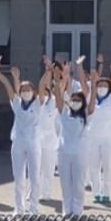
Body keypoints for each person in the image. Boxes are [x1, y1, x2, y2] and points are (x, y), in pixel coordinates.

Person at [0, 63, 52, 214]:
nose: (26, 92)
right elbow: (7, 86)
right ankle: (19, 208)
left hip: (33, 143)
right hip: (18, 143)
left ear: (33, 92)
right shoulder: (16, 103)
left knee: (34, 178)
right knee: (18, 178)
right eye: (23, 90)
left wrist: (47, 71)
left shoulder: (38, 103)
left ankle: (33, 208)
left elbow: (42, 85)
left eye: (28, 89)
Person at [53, 60, 93, 216]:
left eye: (78, 100)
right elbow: (58, 96)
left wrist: (90, 80)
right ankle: (67, 210)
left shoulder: (86, 115)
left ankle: (77, 211)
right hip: (64, 152)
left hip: (80, 154)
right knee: (65, 183)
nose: (75, 102)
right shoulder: (64, 112)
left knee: (78, 183)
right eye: (73, 100)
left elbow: (88, 94)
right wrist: (58, 80)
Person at [87, 58, 111, 204]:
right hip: (93, 138)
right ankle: (96, 193)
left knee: (108, 167)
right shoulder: (91, 99)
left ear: (109, 88)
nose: (102, 87)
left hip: (109, 138)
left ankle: (107, 193)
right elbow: (89, 106)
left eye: (104, 85)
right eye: (99, 85)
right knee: (94, 167)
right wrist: (93, 83)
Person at [37, 58, 62, 201]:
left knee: (49, 168)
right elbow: (42, 85)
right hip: (38, 139)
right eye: (43, 93)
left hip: (51, 140)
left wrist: (57, 75)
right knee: (36, 168)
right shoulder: (39, 103)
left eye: (47, 93)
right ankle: (34, 192)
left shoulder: (54, 103)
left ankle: (46, 193)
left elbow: (59, 88)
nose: (45, 95)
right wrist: (48, 71)